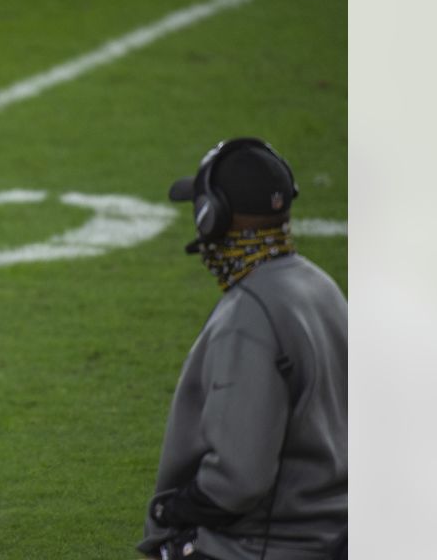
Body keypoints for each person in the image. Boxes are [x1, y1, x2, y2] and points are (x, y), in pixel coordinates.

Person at [139, 138, 347, 560]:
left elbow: (239, 480)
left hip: (270, 543)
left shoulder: (248, 318)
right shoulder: (321, 286)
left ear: (211, 218)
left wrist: (171, 510)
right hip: (335, 531)